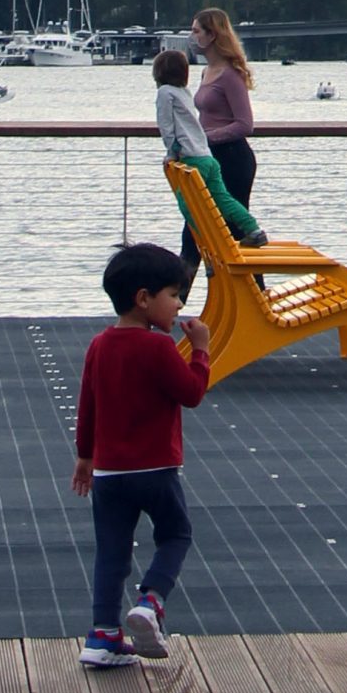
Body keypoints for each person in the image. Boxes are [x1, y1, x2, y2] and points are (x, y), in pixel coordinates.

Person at [73, 241, 212, 668]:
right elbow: (191, 394)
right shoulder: (157, 347)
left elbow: (88, 403)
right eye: (174, 295)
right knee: (176, 535)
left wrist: (84, 456)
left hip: (110, 472)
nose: (179, 305)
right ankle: (151, 601)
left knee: (111, 550)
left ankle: (102, 637)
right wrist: (201, 351)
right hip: (156, 468)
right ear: (144, 298)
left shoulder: (100, 344)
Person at [152, 49, 267, 246]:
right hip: (207, 157)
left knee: (187, 204)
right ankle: (253, 229)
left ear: (159, 72)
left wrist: (172, 153)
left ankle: (209, 238)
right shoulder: (184, 92)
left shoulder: (164, 93)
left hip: (191, 159)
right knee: (223, 198)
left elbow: (167, 127)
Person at [181, 8, 258, 270]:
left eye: (196, 31)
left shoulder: (230, 74)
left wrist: (206, 137)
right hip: (209, 159)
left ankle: (256, 300)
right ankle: (173, 303)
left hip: (233, 159)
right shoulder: (206, 72)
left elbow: (244, 124)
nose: (192, 36)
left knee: (235, 234)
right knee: (194, 231)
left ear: (212, 35)